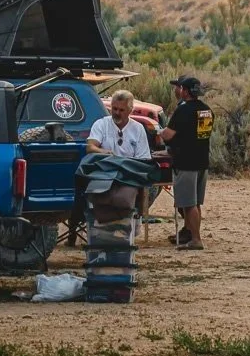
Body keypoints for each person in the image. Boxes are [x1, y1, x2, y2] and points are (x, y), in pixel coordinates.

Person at [157, 76, 212, 250]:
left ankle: (196, 239)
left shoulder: (183, 110)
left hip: (186, 161)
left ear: (185, 91)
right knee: (196, 203)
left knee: (188, 203)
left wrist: (159, 132)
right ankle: (192, 235)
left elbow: (169, 135)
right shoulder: (207, 110)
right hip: (202, 160)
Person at [86, 89, 151, 160]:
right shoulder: (101, 124)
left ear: (130, 110)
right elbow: (90, 147)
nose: (117, 113)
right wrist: (104, 152)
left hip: (129, 169)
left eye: (121, 110)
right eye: (115, 109)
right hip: (106, 167)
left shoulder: (138, 128)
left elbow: (144, 158)